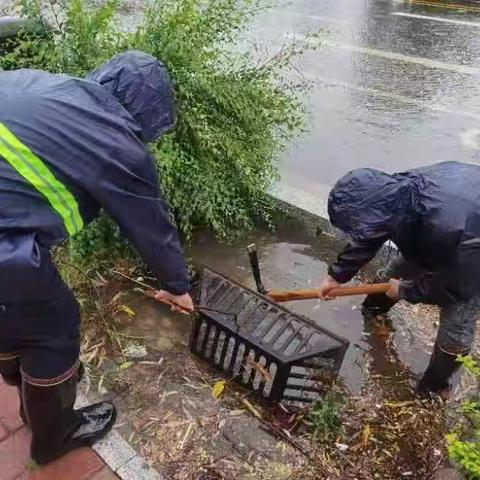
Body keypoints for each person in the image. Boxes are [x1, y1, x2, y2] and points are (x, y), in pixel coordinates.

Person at [0, 50, 194, 465]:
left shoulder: (42, 85)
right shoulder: (115, 139)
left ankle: (31, 393)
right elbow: (152, 228)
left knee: (12, 319)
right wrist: (178, 286)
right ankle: (53, 435)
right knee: (52, 327)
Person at [318, 162, 480, 398]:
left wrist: (406, 291)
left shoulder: (447, 225)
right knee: (391, 275)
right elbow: (370, 233)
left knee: (457, 325)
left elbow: (457, 286)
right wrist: (336, 275)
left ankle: (433, 387)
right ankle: (372, 312)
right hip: (439, 236)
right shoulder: (393, 196)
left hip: (471, 257)